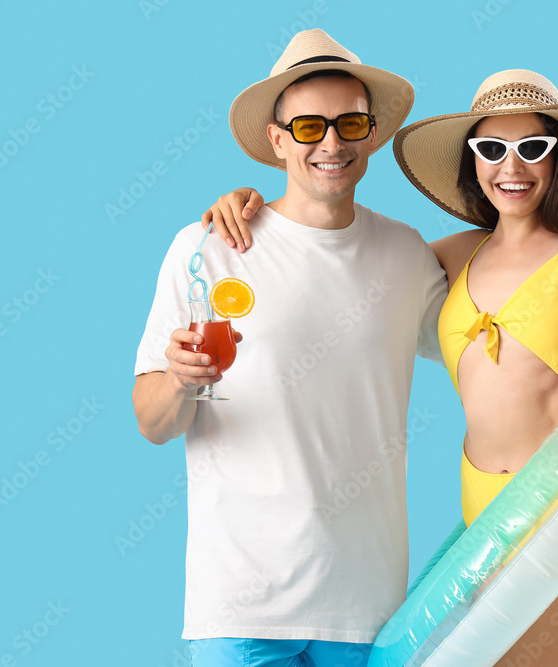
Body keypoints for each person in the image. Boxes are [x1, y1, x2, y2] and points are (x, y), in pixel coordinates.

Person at [204, 69, 558, 665]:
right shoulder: (453, 255)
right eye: (492, 149)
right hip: (489, 521)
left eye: (533, 148)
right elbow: (338, 266)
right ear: (473, 161)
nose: (512, 166)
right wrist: (257, 209)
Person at [132, 29, 447, 667]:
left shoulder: (407, 254)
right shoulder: (208, 249)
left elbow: (485, 348)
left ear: (370, 134)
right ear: (277, 141)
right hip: (240, 606)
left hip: (366, 610)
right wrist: (180, 379)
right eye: (308, 127)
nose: (331, 143)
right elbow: (151, 422)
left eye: (350, 123)